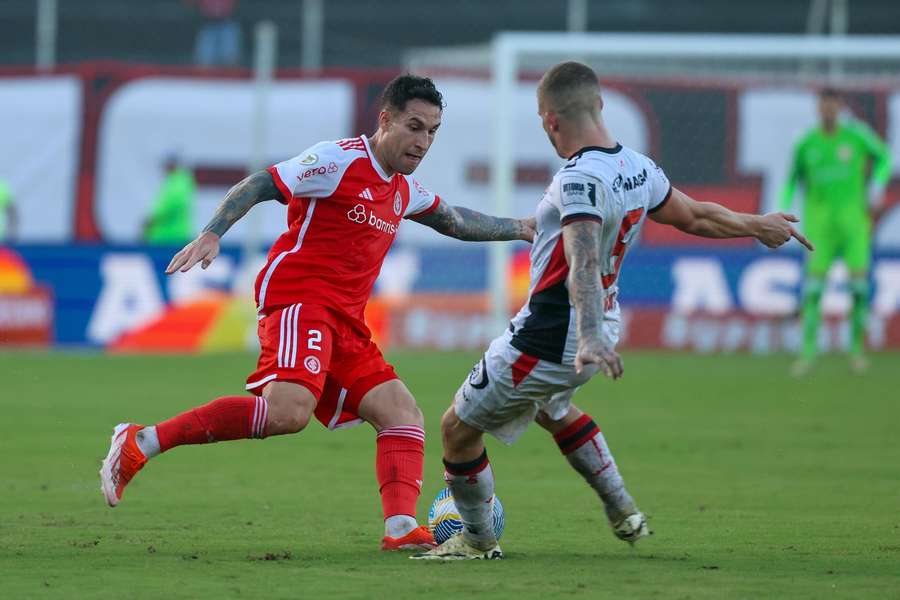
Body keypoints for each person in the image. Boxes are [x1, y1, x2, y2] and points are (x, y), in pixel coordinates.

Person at [99, 74, 535, 552]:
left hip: (347, 322)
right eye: (414, 127)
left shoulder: (401, 190)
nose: (423, 141)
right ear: (385, 119)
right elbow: (262, 183)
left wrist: (521, 226)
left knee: (402, 413)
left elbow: (453, 220)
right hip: (299, 302)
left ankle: (400, 528)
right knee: (289, 413)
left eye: (432, 131)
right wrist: (212, 231)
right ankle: (142, 442)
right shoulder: (338, 159)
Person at [413, 61, 813, 561]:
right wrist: (758, 223)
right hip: (599, 320)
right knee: (551, 407)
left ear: (550, 122)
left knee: (457, 429)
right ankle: (623, 508)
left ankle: (475, 541)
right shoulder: (637, 167)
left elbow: (580, 257)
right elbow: (695, 215)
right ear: (600, 106)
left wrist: (587, 336)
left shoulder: (578, 179)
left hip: (553, 333)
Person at [780, 87, 892, 376]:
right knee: (814, 291)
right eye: (823, 104)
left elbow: (885, 158)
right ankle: (807, 353)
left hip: (854, 224)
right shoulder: (806, 143)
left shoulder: (857, 135)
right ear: (817, 107)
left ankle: (856, 351)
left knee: (858, 288)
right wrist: (782, 211)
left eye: (832, 104)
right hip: (819, 228)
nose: (827, 109)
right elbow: (791, 180)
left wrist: (877, 186)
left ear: (840, 106)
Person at [144, 154, 196, 245]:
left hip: (171, 237)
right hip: (169, 236)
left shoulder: (178, 182)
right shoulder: (176, 181)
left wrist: (153, 219)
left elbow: (174, 203)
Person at [185, 0, 242, 67]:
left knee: (230, 60)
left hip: (227, 24)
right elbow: (188, 4)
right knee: (204, 61)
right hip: (207, 25)